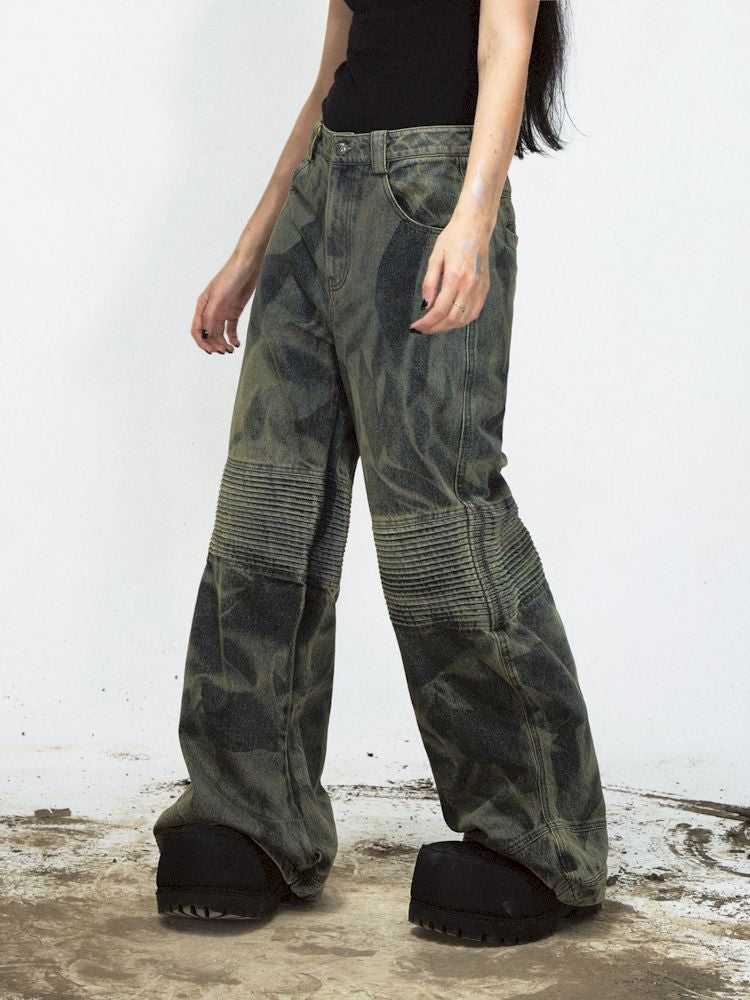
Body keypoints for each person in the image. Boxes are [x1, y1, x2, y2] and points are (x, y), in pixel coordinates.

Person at [152, 0, 609, 946]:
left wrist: (472, 216)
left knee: (439, 519)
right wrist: (250, 250)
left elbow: (505, 41)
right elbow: (331, 77)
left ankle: (537, 836)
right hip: (319, 198)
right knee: (269, 505)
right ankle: (246, 813)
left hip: (429, 195)